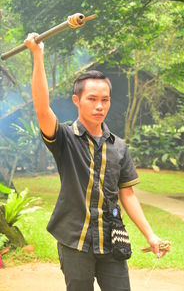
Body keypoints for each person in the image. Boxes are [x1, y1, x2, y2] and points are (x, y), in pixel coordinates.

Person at [24, 33, 168, 291]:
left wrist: (150, 234)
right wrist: (38, 54)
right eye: (92, 99)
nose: (99, 106)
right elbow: (42, 109)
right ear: (77, 101)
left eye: (105, 100)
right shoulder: (65, 138)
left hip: (112, 240)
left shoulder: (119, 147)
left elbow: (128, 194)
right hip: (74, 241)